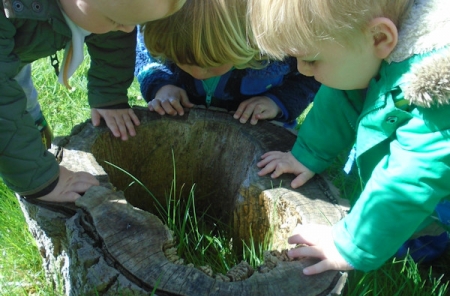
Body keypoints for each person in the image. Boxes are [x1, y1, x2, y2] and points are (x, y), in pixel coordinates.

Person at [249, 0, 450, 274]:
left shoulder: (439, 100)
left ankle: (429, 241)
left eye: (311, 59)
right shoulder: (363, 48)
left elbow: (411, 178)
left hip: (440, 187)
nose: (303, 70)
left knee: (429, 214)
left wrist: (351, 245)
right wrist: (308, 153)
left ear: (380, 37)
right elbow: (340, 95)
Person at [1, 0, 185, 203]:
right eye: (115, 20)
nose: (128, 29)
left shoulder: (101, 9)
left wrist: (109, 94)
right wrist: (39, 179)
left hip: (13, 56)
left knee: (21, 99)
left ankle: (33, 135)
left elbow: (113, 34)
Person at [135, 0, 319, 126]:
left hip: (259, 136)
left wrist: (278, 102)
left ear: (247, 42)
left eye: (212, 63)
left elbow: (309, 78)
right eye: (181, 61)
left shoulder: (278, 51)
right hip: (185, 127)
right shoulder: (170, 34)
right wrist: (160, 86)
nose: (197, 73)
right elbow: (144, 56)